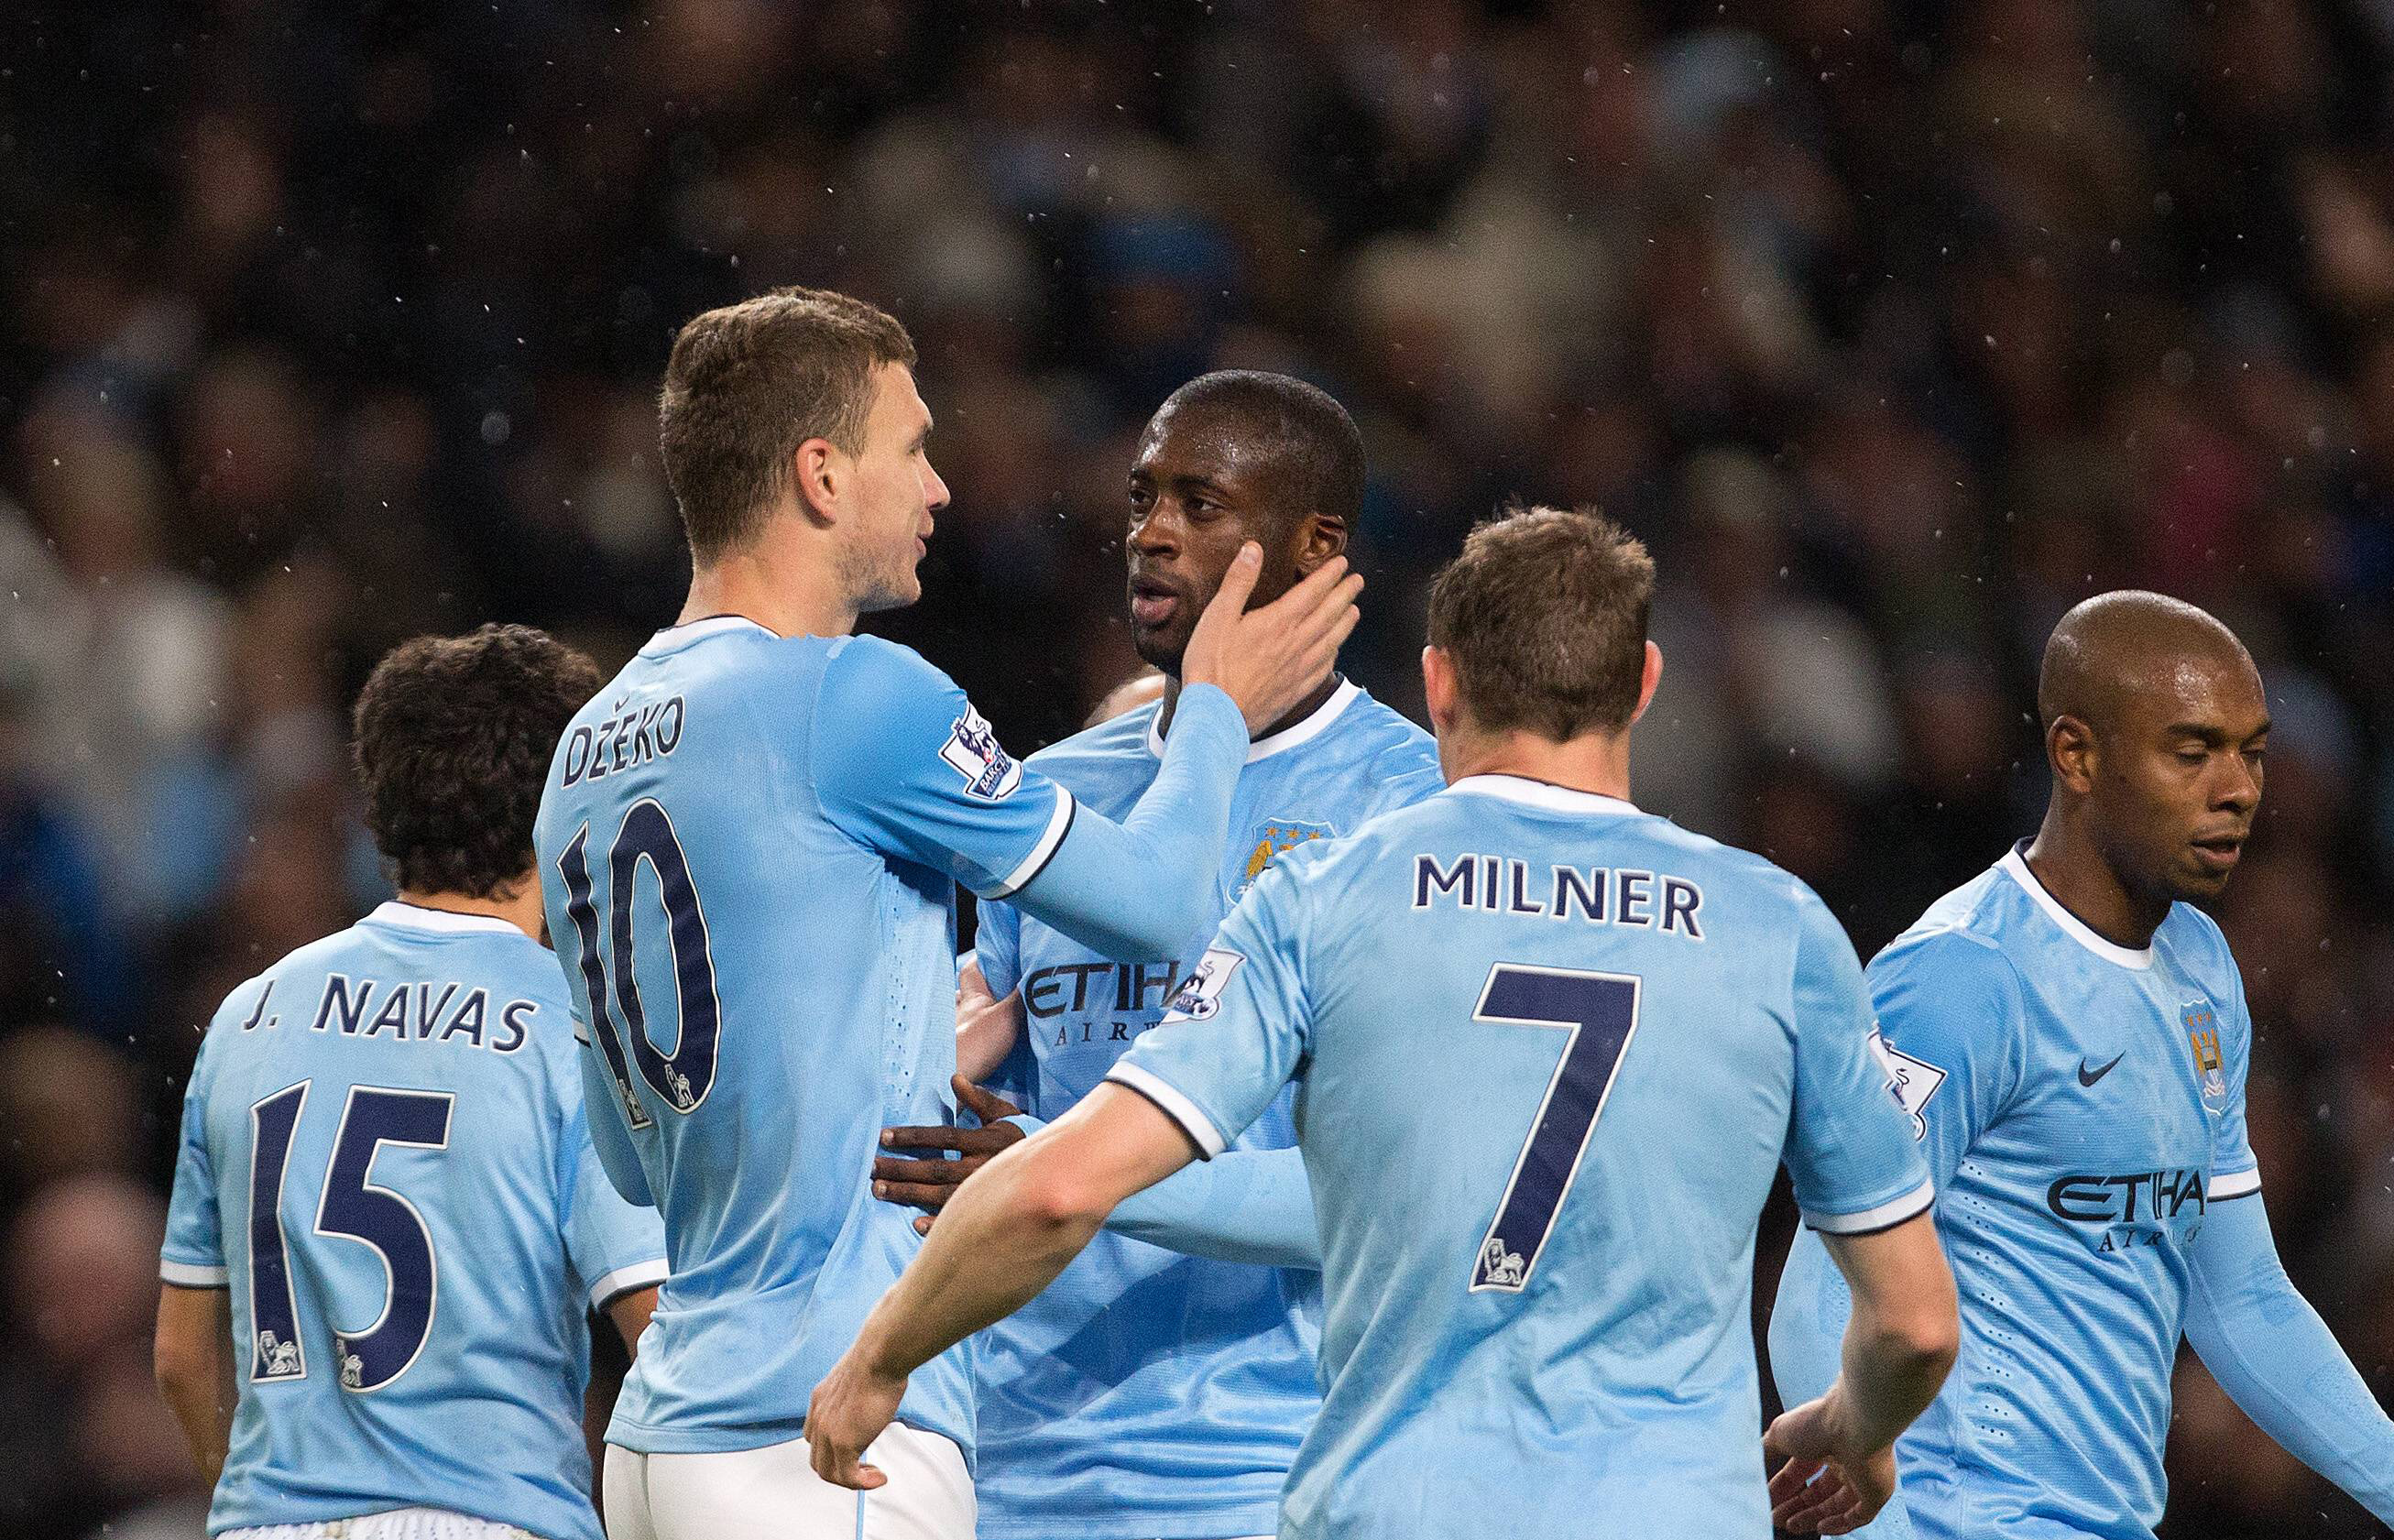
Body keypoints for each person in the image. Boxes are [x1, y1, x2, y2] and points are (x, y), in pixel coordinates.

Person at [807, 508, 1960, 1537]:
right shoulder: (1778, 926)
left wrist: (878, 1356)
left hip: (1396, 1501)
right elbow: (1913, 1324)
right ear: (1646, 683)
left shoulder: (1325, 896)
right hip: (1667, 1506)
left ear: (1439, 682)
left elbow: (1063, 1186)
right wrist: (1850, 1426)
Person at [537, 288, 1357, 1540]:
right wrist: (1213, 708)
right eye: (912, 448)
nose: (940, 490)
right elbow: (1160, 901)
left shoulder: (591, 741)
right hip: (824, 1433)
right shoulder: (859, 696)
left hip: (664, 1438)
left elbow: (622, 1136)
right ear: (820, 473)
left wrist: (896, 1038)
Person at [1765, 591, 2394, 1540]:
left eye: (2253, 750)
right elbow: (1816, 1298)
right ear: (2076, 755)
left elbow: (2240, 1298)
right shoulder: (1959, 978)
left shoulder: (2201, 966)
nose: (2235, 787)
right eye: (2192, 752)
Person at [869, 370, 1441, 1540]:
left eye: (1202, 504)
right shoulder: (1054, 796)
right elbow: (988, 1130)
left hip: (1266, 1467)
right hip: (1018, 1463)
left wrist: (1076, 1175)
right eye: (1142, 501)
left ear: (1315, 544)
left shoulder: (1411, 809)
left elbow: (1381, 1205)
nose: (1154, 535)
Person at [154, 625, 666, 1540]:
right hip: (491, 1515)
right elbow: (659, 1334)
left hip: (267, 1520)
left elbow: (181, 1359)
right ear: (565, 806)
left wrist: (266, 1500)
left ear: (380, 801)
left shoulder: (248, 1015)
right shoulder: (571, 1023)